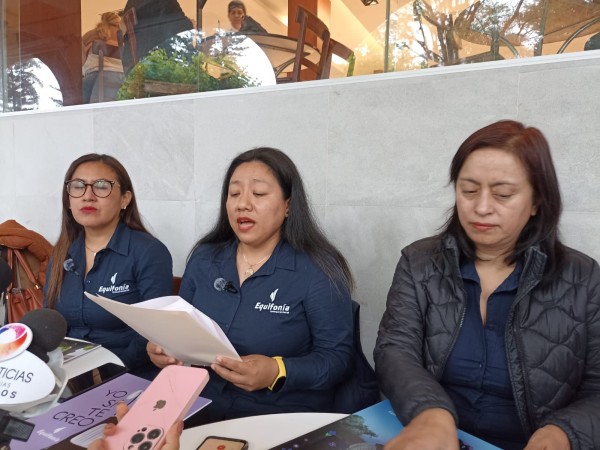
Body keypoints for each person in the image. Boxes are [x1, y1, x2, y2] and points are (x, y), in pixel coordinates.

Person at [374, 120, 600, 450]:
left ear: (537, 201)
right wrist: (430, 414)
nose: (481, 208)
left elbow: (596, 386)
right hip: (432, 436)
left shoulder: (582, 277)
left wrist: (562, 432)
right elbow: (395, 350)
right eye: (468, 190)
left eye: (502, 194)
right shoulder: (419, 261)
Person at [148, 147, 354, 423]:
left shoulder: (319, 269)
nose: (242, 204)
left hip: (278, 414)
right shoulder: (205, 258)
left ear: (288, 205)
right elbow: (180, 327)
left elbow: (337, 359)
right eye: (234, 194)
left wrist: (276, 371)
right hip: (200, 403)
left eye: (258, 194)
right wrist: (164, 349)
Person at [45, 153, 173, 380]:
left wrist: (111, 369)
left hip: (131, 375)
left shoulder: (149, 252)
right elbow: (51, 322)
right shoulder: (62, 252)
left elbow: (154, 331)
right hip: (69, 376)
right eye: (78, 186)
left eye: (101, 187)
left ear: (125, 199)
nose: (88, 196)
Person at [81, 12, 124, 103]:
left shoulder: (91, 35)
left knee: (75, 100)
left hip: (96, 76)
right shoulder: (124, 36)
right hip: (122, 79)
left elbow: (79, 62)